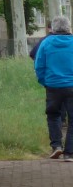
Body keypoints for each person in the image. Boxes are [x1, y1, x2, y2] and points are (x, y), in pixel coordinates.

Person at [33, 16, 73, 160]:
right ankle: (69, 153)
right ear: (68, 27)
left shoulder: (47, 43)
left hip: (53, 85)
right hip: (72, 85)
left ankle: (56, 146)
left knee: (53, 115)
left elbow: (39, 65)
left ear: (53, 28)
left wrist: (45, 82)